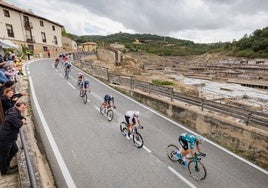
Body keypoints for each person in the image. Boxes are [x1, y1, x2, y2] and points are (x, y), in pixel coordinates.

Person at [0, 101, 27, 176]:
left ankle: (6, 166)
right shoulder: (13, 115)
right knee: (3, 155)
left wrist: (23, 118)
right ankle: (4, 171)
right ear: (18, 106)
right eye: (22, 107)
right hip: (5, 138)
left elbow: (20, 117)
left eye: (25, 107)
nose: (24, 109)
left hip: (10, 137)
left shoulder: (14, 110)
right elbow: (18, 124)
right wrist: (22, 121)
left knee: (14, 150)